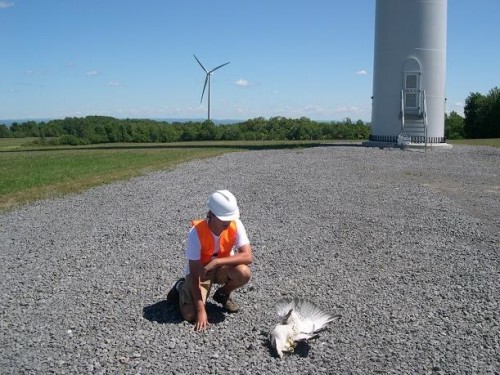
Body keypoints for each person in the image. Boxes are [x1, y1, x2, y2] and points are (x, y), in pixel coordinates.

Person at [167, 190, 253, 331]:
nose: (228, 221)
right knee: (190, 315)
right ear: (211, 214)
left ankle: (222, 294)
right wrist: (201, 311)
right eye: (223, 218)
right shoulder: (195, 233)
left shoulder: (235, 224)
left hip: (220, 268)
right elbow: (195, 275)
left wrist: (217, 262)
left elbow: (248, 256)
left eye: (229, 218)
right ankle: (180, 286)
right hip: (202, 273)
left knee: (244, 272)